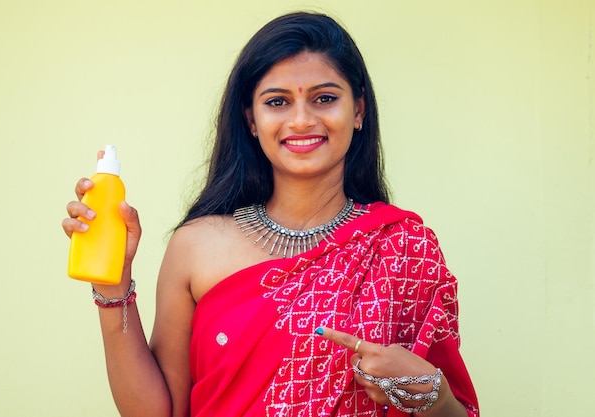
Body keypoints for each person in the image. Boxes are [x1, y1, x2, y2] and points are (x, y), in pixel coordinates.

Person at [63, 11, 479, 417]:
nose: (301, 120)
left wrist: (430, 394)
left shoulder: (404, 247)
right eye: (277, 102)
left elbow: (455, 410)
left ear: (358, 112)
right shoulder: (197, 245)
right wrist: (113, 286)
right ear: (251, 119)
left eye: (325, 98)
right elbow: (158, 412)